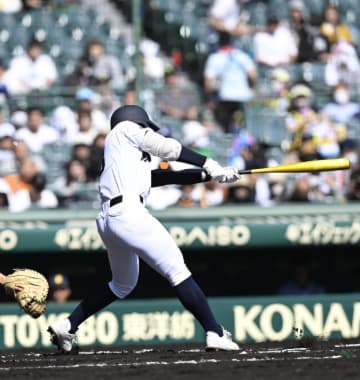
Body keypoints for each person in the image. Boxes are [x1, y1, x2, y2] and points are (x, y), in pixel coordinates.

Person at [48, 105, 241, 352]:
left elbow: (163, 177)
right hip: (128, 213)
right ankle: (214, 331)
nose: (147, 130)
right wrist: (208, 162)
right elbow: (168, 148)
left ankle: (68, 325)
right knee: (177, 271)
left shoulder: (123, 157)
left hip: (110, 219)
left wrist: (211, 175)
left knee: (122, 284)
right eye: (146, 126)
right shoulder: (125, 129)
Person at [204, 31, 257, 133]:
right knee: (244, 127)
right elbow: (253, 75)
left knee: (227, 129)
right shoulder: (241, 55)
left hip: (225, 97)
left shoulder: (215, 58)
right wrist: (252, 89)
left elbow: (208, 83)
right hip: (243, 96)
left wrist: (208, 98)